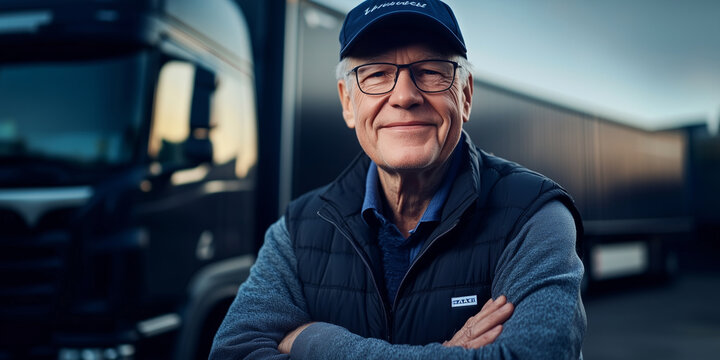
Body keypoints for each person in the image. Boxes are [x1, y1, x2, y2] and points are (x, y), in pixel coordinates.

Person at [210, 0, 586, 358]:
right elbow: (234, 351)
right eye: (376, 74)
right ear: (347, 103)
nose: (405, 96)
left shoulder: (534, 215)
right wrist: (444, 354)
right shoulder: (297, 229)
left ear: (466, 95)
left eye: (431, 71)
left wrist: (316, 340)